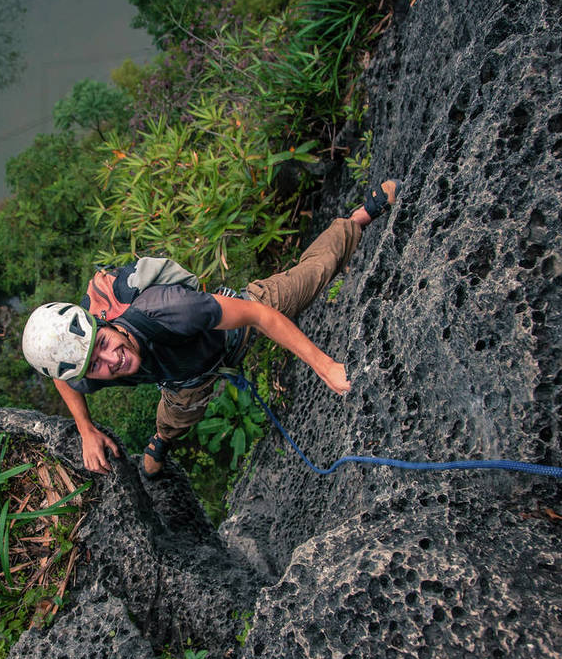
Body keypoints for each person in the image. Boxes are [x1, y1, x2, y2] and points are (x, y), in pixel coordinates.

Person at [22, 180, 399, 477]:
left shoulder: (167, 310)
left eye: (104, 342)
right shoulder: (82, 361)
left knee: (313, 274)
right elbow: (65, 380)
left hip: (236, 327)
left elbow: (259, 317)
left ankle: (358, 218)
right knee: (174, 420)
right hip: (187, 379)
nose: (113, 359)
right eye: (96, 365)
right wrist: (86, 430)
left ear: (103, 322)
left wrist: (325, 367)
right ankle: (162, 443)